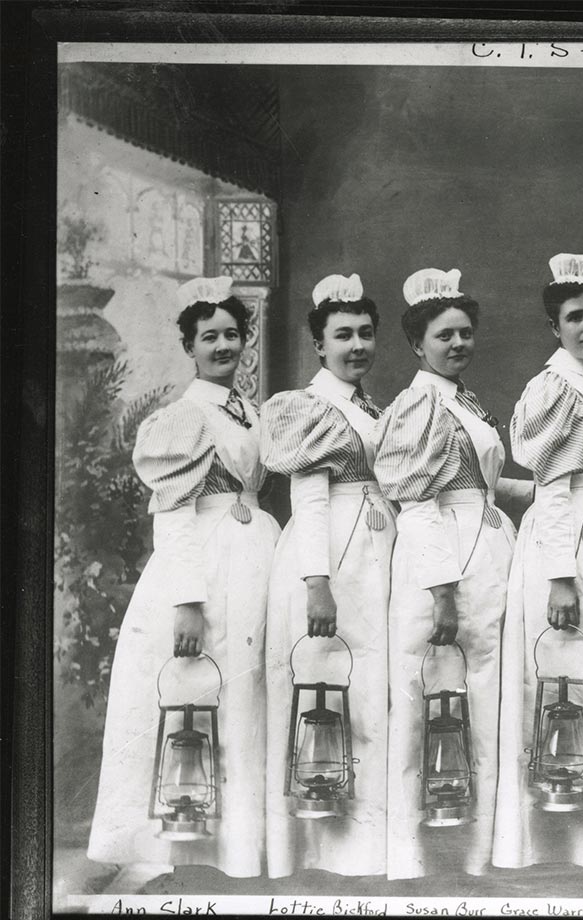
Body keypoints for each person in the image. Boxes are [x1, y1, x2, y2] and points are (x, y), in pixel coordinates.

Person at [88, 276, 279, 887]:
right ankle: (189, 853)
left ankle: (245, 846)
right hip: (208, 565)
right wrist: (188, 602)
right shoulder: (183, 419)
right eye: (209, 338)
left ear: (246, 342)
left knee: (249, 697)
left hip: (258, 561)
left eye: (232, 335)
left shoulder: (251, 411)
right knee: (205, 694)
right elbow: (174, 518)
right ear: (189, 347)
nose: (223, 346)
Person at [375, 267, 532, 880]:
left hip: (488, 554)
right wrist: (441, 592)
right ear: (418, 345)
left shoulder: (460, 398)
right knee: (424, 702)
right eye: (444, 336)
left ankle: (484, 850)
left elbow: (480, 483)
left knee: (487, 699)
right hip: (442, 562)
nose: (458, 344)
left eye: (465, 333)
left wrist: (542, 491)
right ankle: (410, 854)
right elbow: (418, 505)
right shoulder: (418, 405)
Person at [492, 250, 583, 873]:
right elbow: (551, 489)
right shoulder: (554, 387)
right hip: (571, 542)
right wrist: (560, 577)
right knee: (568, 675)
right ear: (555, 327)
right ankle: (559, 841)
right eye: (575, 317)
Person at [259, 273, 396, 878]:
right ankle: (322, 850)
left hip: (374, 551)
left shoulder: (367, 403)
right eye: (343, 335)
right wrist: (317, 582)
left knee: (371, 691)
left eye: (366, 333)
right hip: (333, 556)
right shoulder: (310, 408)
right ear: (319, 345)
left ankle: (371, 844)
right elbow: (309, 502)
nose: (357, 345)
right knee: (333, 686)